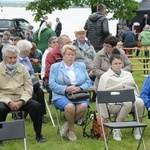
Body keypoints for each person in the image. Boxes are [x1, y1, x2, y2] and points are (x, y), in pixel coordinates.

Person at [0, 44, 45, 145]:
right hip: (4, 99)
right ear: (3, 57)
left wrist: (22, 101)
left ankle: (39, 135)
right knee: (0, 109)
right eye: (10, 58)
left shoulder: (23, 68)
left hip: (21, 98)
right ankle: (0, 138)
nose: (13, 60)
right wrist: (9, 102)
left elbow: (29, 87)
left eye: (15, 57)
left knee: (37, 106)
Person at [98, 50, 145, 141]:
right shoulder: (105, 76)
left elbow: (134, 88)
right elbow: (101, 95)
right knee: (127, 102)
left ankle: (137, 128)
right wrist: (104, 114)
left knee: (140, 102)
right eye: (115, 63)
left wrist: (135, 96)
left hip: (131, 99)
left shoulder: (128, 74)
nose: (118, 65)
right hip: (113, 103)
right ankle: (117, 128)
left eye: (120, 63)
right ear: (110, 64)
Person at [49, 44, 92, 141]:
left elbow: (89, 81)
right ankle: (71, 130)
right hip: (61, 95)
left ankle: (67, 126)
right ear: (63, 55)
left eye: (72, 54)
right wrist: (66, 89)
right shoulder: (55, 67)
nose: (70, 57)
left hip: (78, 94)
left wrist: (80, 88)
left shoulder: (81, 66)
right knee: (70, 107)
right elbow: (51, 84)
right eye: (68, 54)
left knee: (83, 106)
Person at [17, 40, 47, 123]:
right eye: (30, 49)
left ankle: (41, 115)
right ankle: (35, 115)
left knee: (40, 92)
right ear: (26, 51)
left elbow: (32, 72)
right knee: (34, 96)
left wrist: (34, 80)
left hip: (32, 83)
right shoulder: (16, 60)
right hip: (22, 85)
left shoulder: (26, 58)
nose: (31, 51)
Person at [44, 34, 72, 104]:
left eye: (70, 42)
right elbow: (49, 73)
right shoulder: (51, 54)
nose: (70, 44)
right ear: (60, 44)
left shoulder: (71, 53)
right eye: (67, 43)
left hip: (69, 81)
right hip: (53, 81)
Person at [73, 27, 96, 101]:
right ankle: (83, 96)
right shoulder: (73, 46)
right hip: (79, 71)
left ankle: (95, 97)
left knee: (99, 77)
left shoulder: (90, 46)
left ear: (85, 34)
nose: (81, 35)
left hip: (91, 70)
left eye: (83, 34)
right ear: (76, 35)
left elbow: (95, 59)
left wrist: (93, 70)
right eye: (79, 34)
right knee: (81, 79)